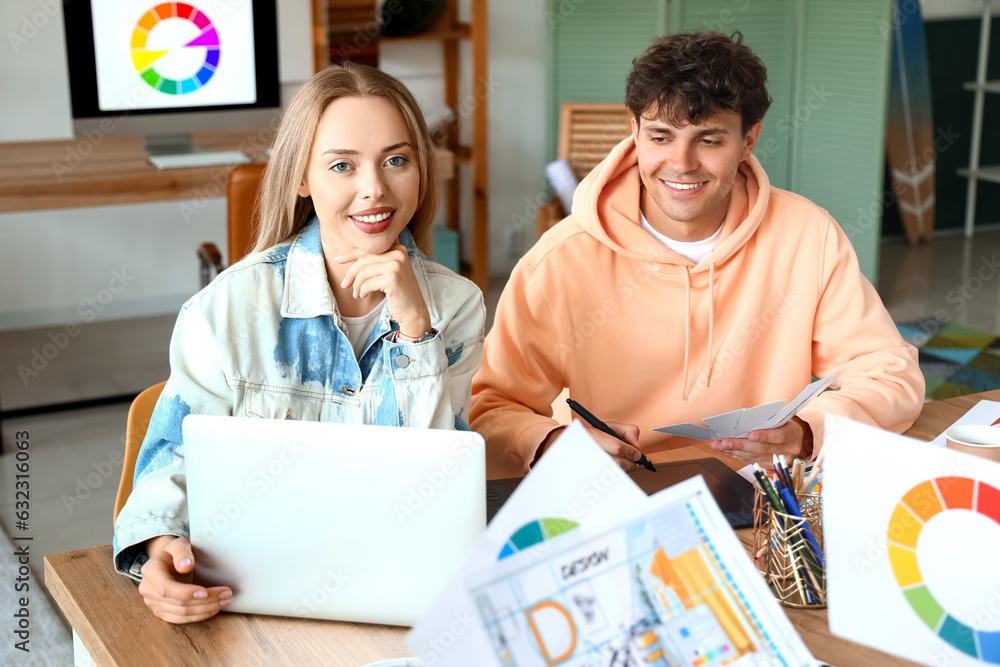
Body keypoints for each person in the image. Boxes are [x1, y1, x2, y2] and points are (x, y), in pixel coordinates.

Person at [113, 63, 485, 623]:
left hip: (399, 595)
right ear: (302, 178)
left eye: (397, 160)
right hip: (253, 602)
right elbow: (173, 465)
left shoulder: (456, 307)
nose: (375, 189)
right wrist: (162, 551)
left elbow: (433, 488)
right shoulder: (226, 310)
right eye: (342, 165)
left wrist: (415, 329)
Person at [471, 31, 923, 478]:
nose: (681, 163)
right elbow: (487, 408)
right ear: (634, 132)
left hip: (762, 490)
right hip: (615, 487)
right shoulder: (557, 261)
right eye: (661, 136)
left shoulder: (809, 236)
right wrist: (552, 441)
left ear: (748, 141)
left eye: (709, 140)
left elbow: (890, 375)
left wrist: (809, 431)